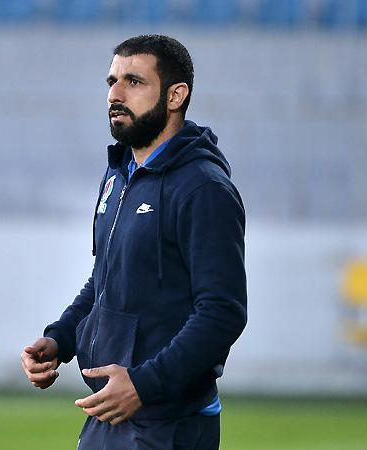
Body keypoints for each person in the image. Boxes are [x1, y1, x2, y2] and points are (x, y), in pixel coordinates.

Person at [21, 34, 247, 449]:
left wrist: (144, 384)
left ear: (176, 95)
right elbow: (104, 280)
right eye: (112, 81)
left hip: (169, 423)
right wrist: (60, 339)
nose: (115, 94)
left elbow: (222, 312)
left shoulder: (203, 189)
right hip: (110, 411)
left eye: (134, 82)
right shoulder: (119, 174)